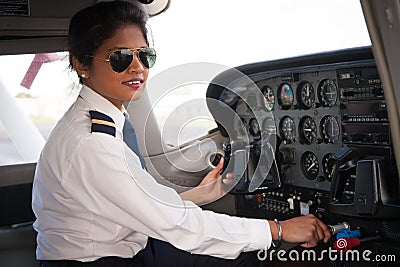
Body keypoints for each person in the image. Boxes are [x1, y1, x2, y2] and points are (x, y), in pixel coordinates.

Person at [32, 1, 331, 266]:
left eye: (144, 56)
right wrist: (278, 229)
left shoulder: (98, 122)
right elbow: (175, 225)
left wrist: (198, 195)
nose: (137, 68)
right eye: (120, 57)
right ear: (82, 65)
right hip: (102, 260)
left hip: (119, 246)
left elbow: (136, 202)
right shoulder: (92, 142)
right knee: (254, 257)